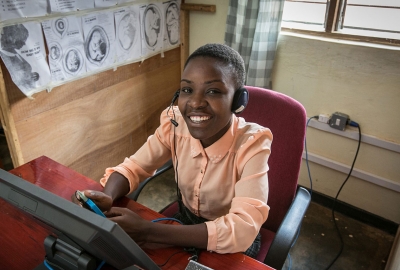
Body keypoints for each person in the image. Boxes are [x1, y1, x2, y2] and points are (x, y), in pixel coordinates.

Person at [78, 43, 272, 258]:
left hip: (233, 242)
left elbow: (242, 229)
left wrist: (149, 231)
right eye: (187, 90)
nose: (195, 102)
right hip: (185, 222)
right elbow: (135, 166)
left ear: (238, 101)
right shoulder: (175, 123)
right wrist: (107, 196)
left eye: (213, 91)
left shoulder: (252, 143)